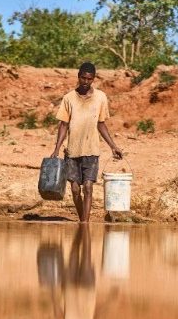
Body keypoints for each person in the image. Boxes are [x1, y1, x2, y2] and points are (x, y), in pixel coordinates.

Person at [50, 62, 123, 223]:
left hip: (92, 150)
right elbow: (63, 125)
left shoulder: (100, 97)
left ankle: (85, 223)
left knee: (88, 187)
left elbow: (101, 124)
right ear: (78, 77)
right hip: (72, 151)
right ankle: (82, 219)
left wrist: (113, 146)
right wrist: (56, 149)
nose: (85, 82)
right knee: (75, 189)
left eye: (89, 79)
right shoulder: (68, 98)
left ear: (93, 79)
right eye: (83, 78)